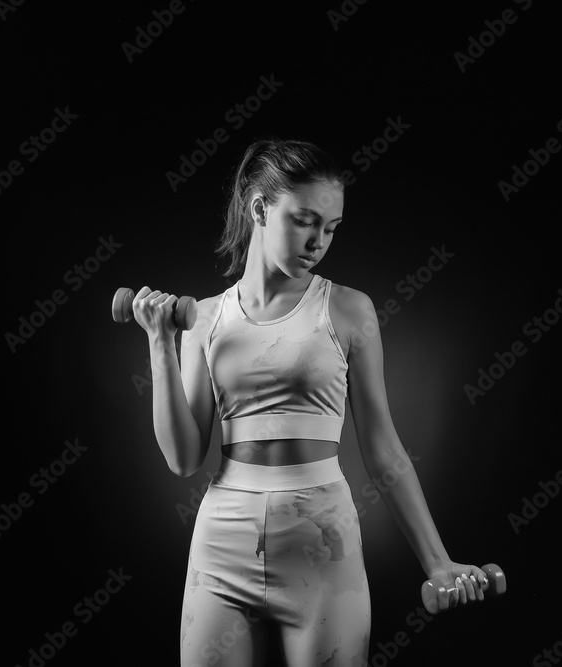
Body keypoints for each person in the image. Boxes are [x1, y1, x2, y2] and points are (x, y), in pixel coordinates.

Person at [132, 138, 490, 667]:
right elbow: (184, 459)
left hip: (323, 545)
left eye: (331, 227)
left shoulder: (348, 309)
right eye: (304, 220)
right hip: (221, 544)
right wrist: (160, 345)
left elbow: (382, 445)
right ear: (259, 208)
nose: (319, 240)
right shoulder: (204, 319)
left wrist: (438, 563)